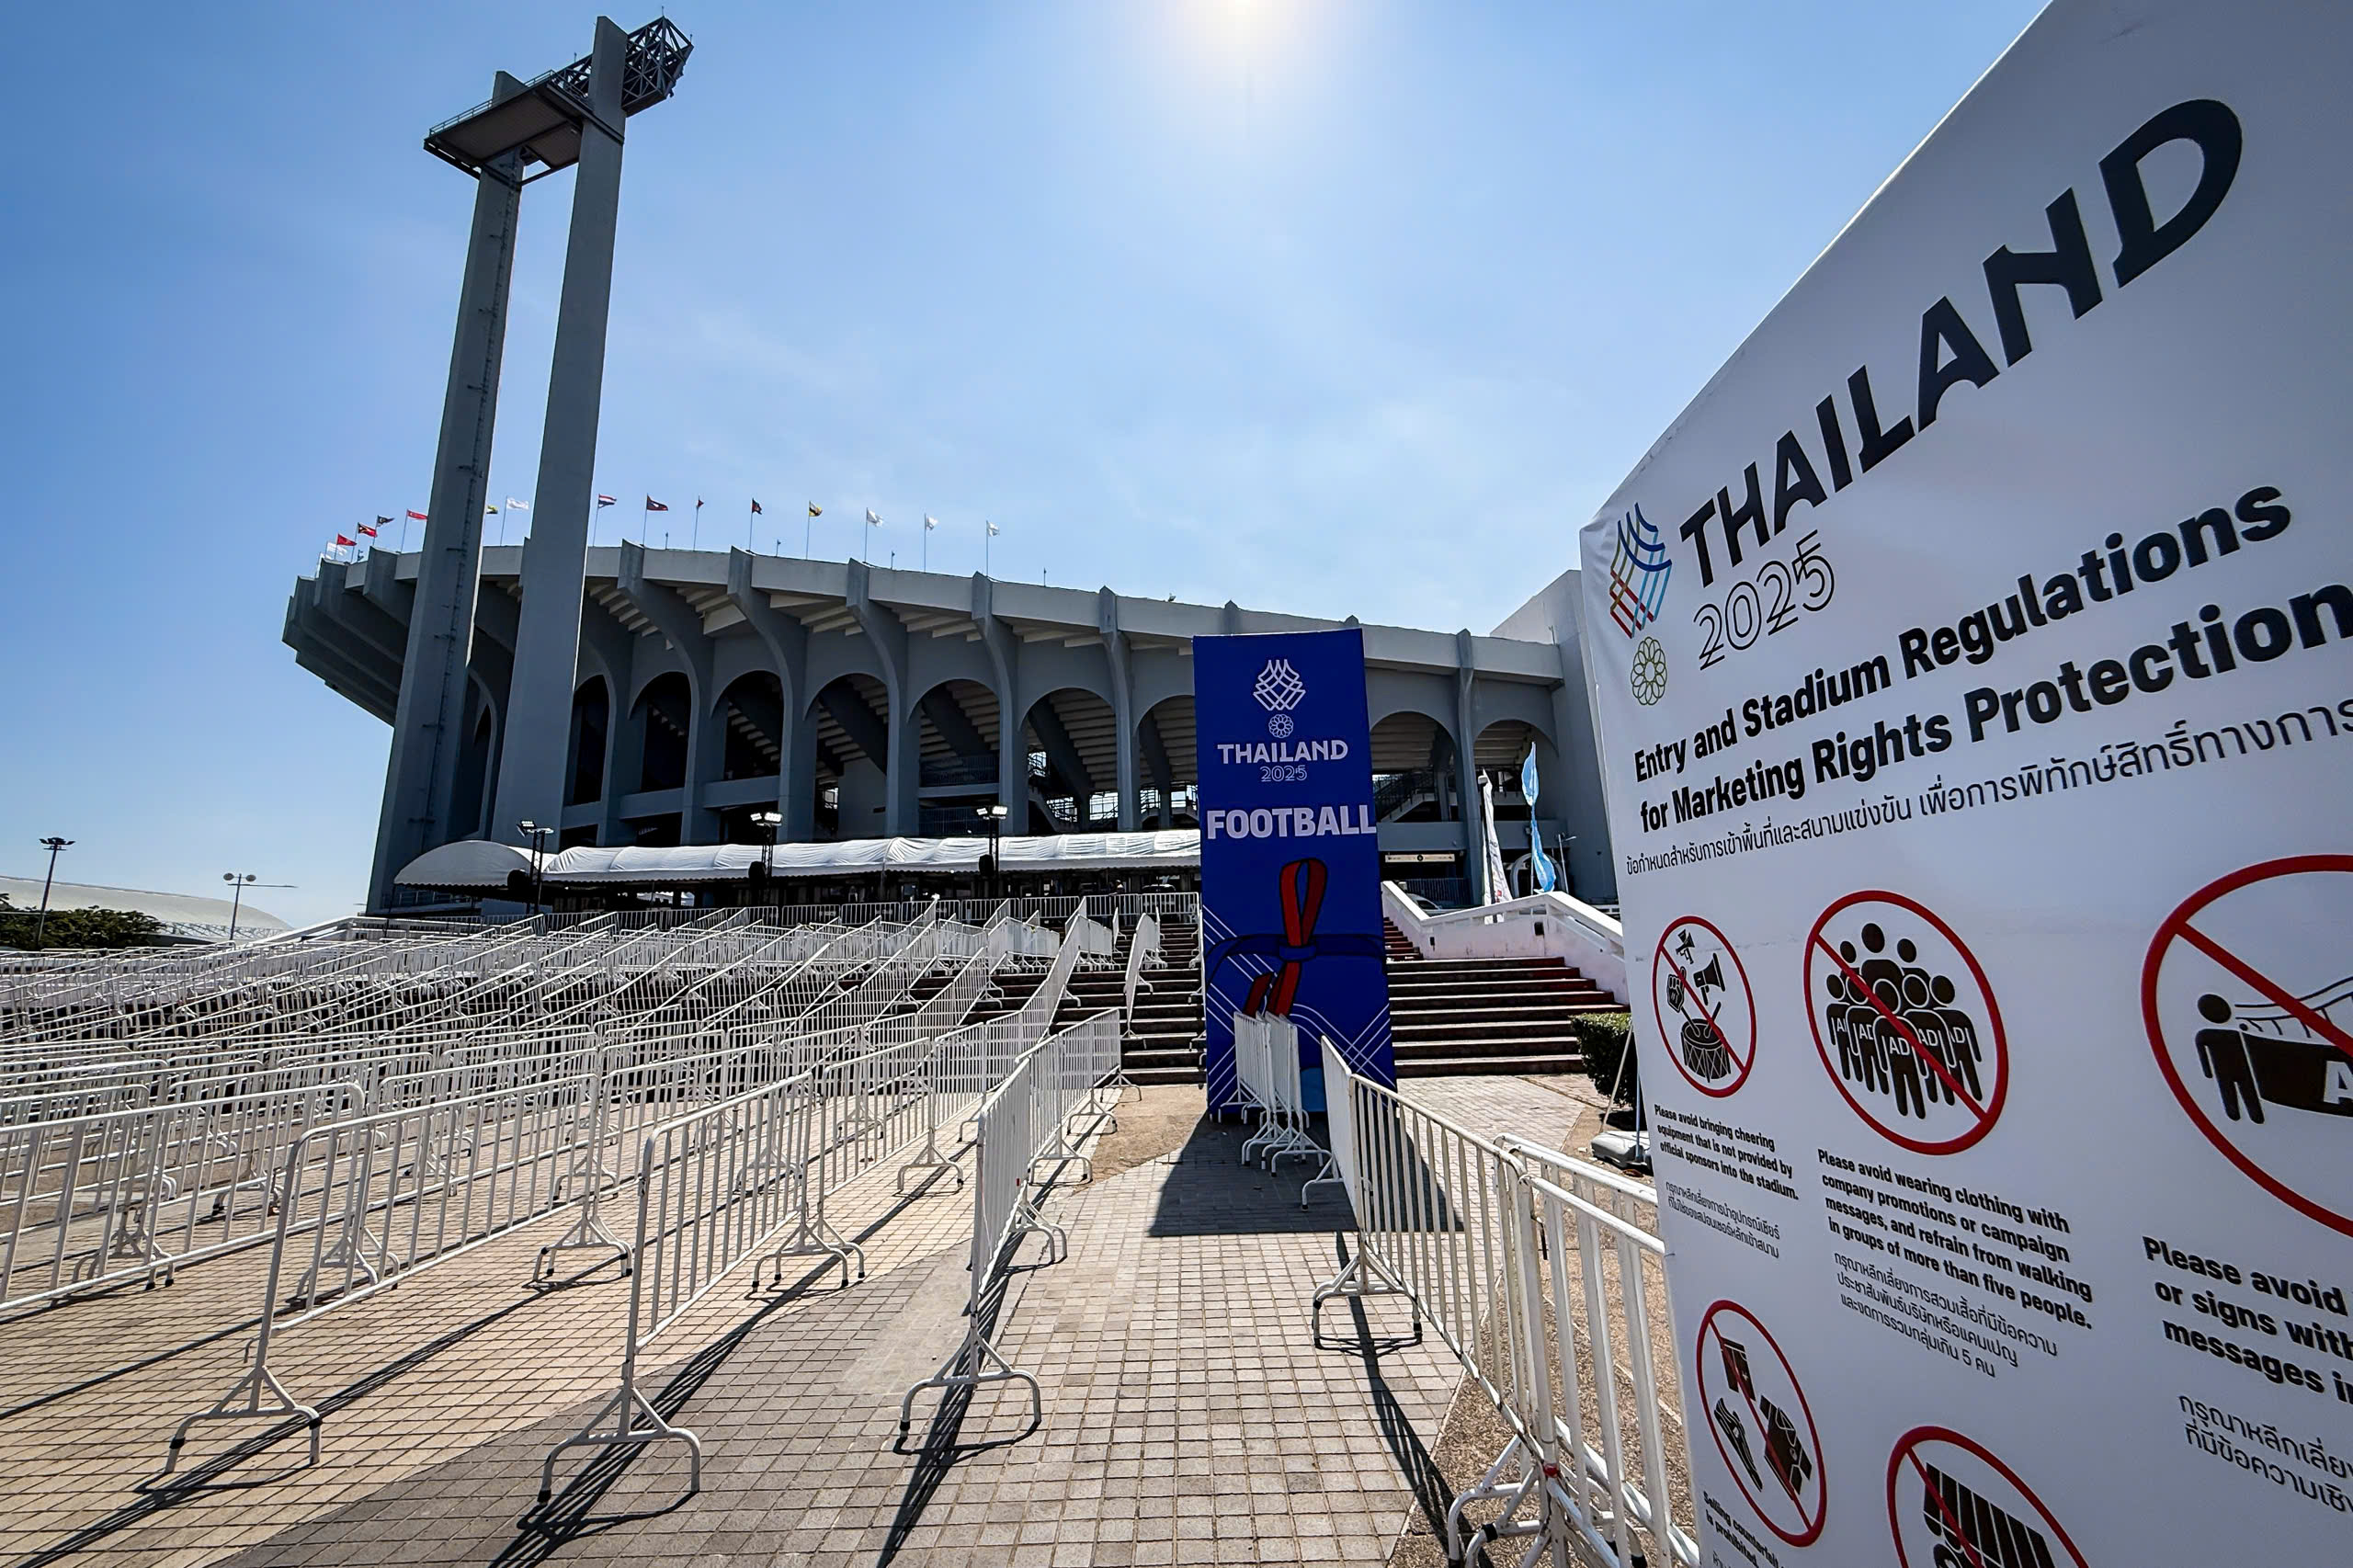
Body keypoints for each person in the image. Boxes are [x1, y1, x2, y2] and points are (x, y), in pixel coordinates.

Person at [2194, 994, 2265, 1123]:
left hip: (2238, 1069)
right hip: (2233, 1070)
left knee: (2245, 1094)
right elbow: (2203, 1056)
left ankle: (2253, 1116)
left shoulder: (2229, 1033)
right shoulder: (2207, 1035)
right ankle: (2240, 1114)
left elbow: (2250, 1051)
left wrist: (2208, 1072)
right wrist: (2208, 1073)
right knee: (2234, 1094)